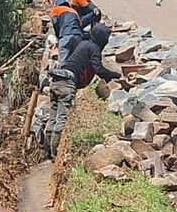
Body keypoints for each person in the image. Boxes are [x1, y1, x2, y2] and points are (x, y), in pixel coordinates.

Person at [42, 24, 122, 158]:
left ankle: (46, 152)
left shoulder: (83, 43)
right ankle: (56, 155)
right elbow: (98, 69)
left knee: (53, 117)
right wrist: (115, 75)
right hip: (67, 82)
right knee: (62, 119)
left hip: (56, 80)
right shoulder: (94, 48)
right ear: (102, 38)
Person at [49, 0, 84, 66]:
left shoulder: (56, 9)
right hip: (78, 37)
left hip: (65, 35)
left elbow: (55, 23)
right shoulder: (74, 11)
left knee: (63, 61)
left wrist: (58, 37)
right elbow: (80, 25)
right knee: (75, 62)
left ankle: (61, 75)